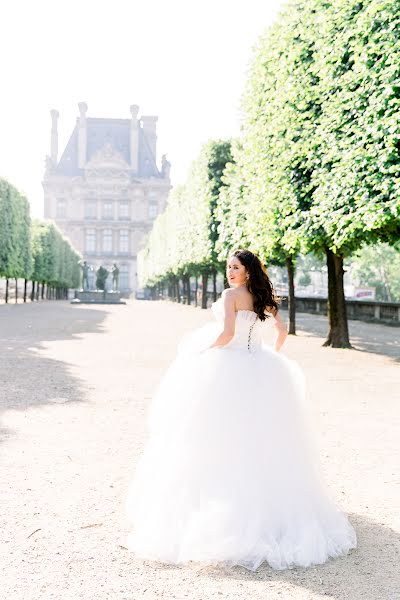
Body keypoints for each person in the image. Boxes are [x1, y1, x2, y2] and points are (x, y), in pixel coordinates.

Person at [125, 249, 357, 571]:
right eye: (228, 267)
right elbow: (282, 331)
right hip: (259, 366)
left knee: (218, 440)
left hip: (230, 367)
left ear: (247, 271)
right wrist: (271, 356)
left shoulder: (231, 295)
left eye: (236, 267)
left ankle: (223, 511)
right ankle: (270, 511)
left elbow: (228, 334)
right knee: (264, 443)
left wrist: (202, 350)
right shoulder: (262, 296)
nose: (230, 271)